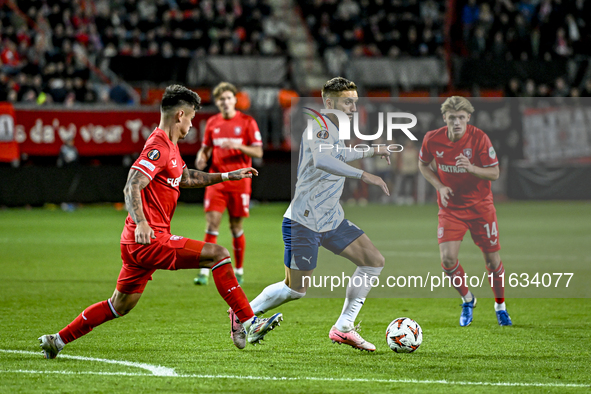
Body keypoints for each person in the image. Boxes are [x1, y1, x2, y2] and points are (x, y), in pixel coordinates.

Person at [38, 85, 282, 359]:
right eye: (191, 117)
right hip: (148, 238)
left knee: (120, 305)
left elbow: (186, 177)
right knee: (218, 255)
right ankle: (249, 322)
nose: (192, 123)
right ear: (180, 115)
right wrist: (142, 222)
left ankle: (56, 341)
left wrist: (227, 176)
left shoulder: (171, 147)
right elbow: (132, 185)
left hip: (137, 243)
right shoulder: (158, 146)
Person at [243, 77, 392, 352]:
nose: (352, 107)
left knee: (373, 261)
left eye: (355, 102)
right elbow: (323, 160)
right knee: (295, 290)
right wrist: (365, 175)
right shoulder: (319, 127)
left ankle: (344, 327)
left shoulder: (334, 129)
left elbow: (339, 154)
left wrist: (374, 149)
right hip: (305, 220)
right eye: (347, 102)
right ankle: (242, 316)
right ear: (328, 102)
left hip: (330, 218)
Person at [418, 96, 512, 327]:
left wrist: (471, 168)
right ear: (445, 118)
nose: (457, 122)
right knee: (448, 259)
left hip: (481, 207)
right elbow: (423, 165)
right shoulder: (433, 139)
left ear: (468, 118)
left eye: (461, 117)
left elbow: (495, 173)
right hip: (451, 209)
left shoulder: (479, 138)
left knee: (491, 261)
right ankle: (467, 299)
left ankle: (500, 306)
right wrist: (440, 187)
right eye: (452, 118)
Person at [193, 82, 263, 286]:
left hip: (240, 181)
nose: (225, 102)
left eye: (228, 98)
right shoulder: (213, 123)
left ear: (235, 99)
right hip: (217, 179)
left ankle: (239, 269)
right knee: (212, 223)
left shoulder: (247, 122)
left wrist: (237, 145)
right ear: (217, 102)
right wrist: (201, 158)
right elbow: (205, 148)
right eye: (221, 99)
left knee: (235, 226)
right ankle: (204, 272)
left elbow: (258, 152)